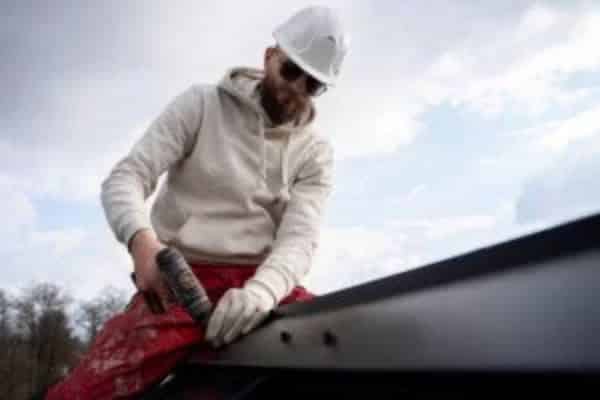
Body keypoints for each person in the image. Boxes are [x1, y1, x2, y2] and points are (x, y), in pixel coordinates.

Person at [46, 5, 349, 399]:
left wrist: (260, 294)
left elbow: (300, 239)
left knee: (343, 354)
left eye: (312, 84)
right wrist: (142, 243)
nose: (296, 89)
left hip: (262, 285)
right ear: (269, 56)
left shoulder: (316, 152)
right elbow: (126, 178)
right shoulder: (201, 105)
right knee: (87, 391)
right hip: (181, 286)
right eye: (291, 70)